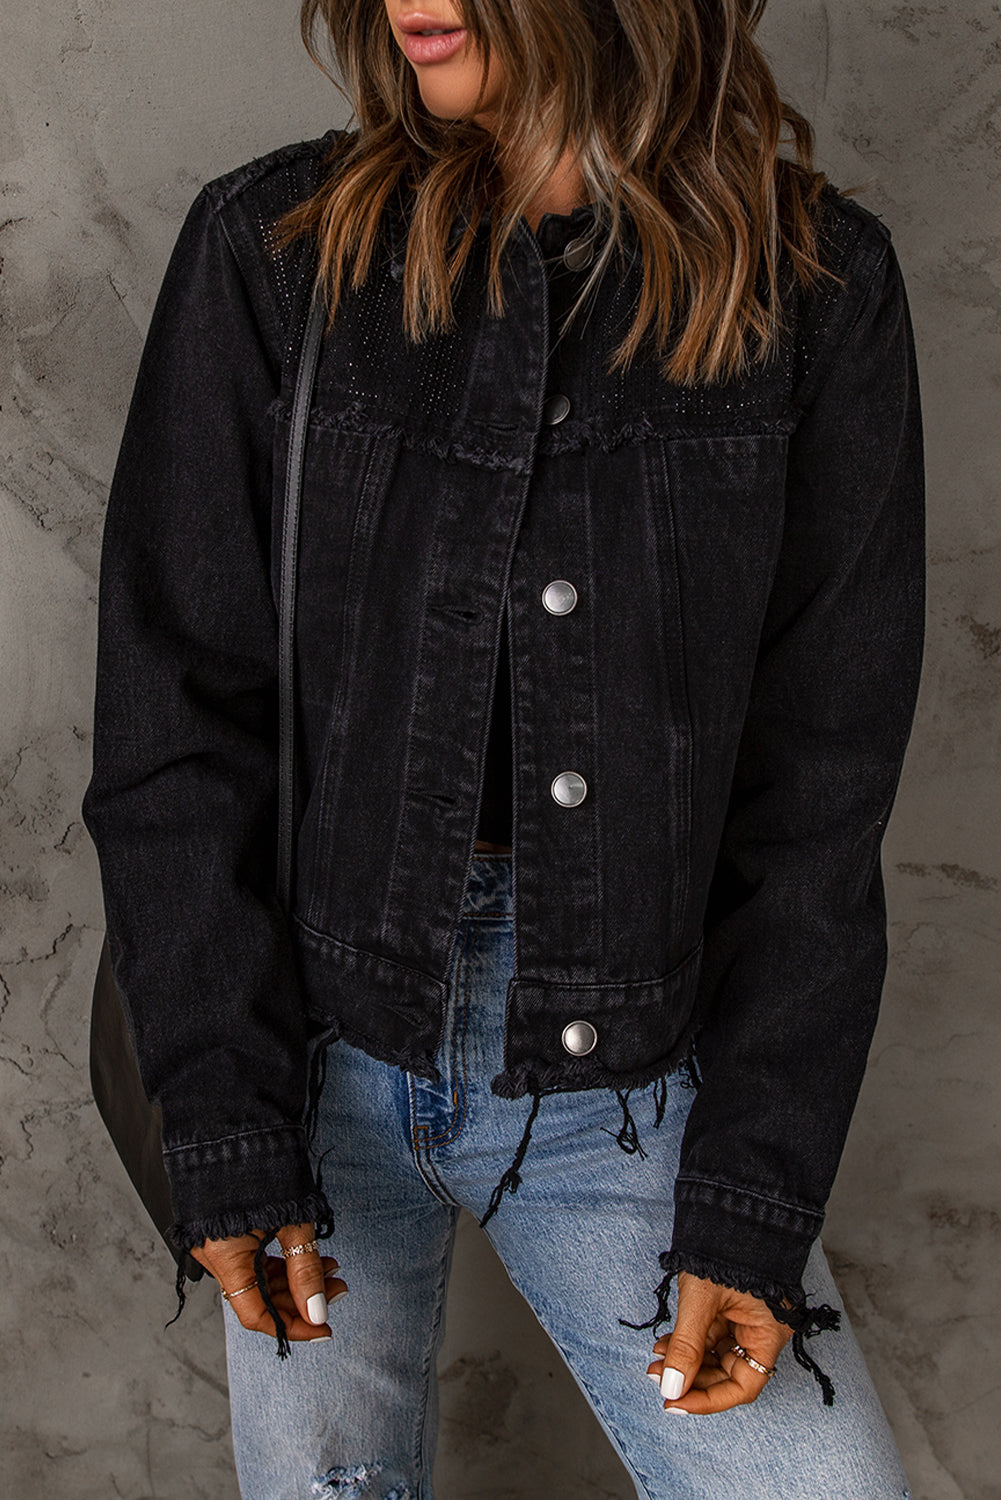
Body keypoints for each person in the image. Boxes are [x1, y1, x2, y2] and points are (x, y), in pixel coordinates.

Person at [81, 0, 925, 1495]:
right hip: (311, 1049)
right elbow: (175, 718)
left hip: (633, 1083)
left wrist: (751, 1198)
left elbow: (818, 794)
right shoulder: (275, 251)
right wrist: (221, 1119)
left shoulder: (814, 287)